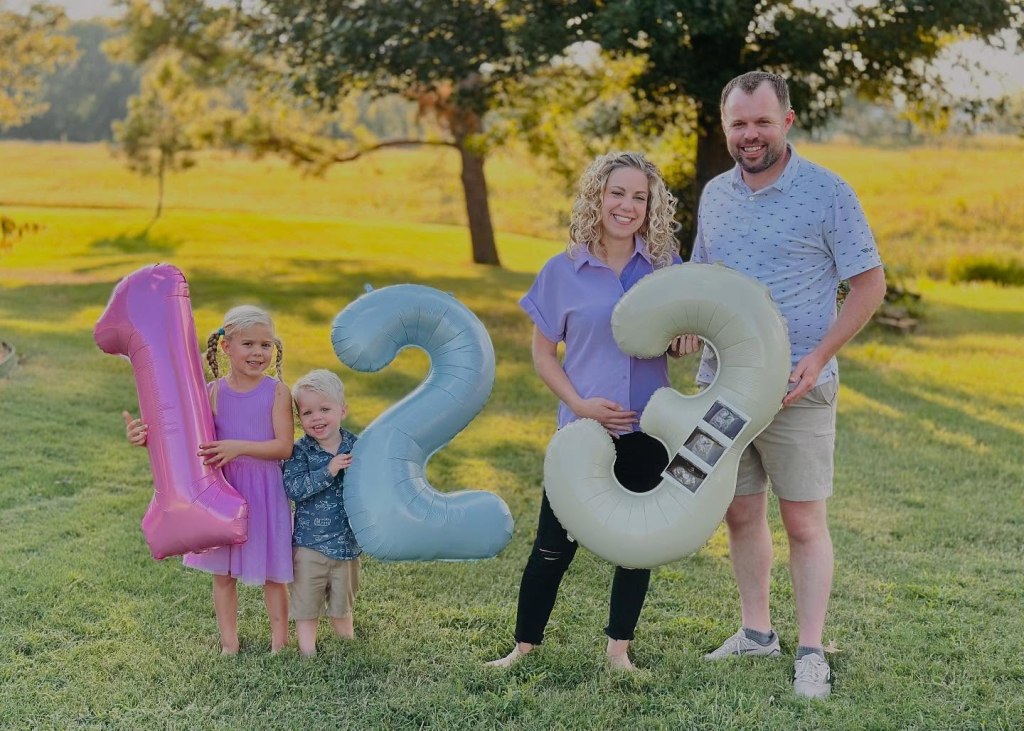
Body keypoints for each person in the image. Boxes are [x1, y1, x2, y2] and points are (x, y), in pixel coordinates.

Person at [693, 71, 886, 699]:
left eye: (762, 122)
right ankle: (756, 633)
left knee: (803, 523)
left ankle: (810, 650)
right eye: (739, 124)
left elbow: (869, 285)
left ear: (788, 121)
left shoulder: (829, 192)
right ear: (726, 129)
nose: (751, 135)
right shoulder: (716, 194)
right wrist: (687, 327)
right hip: (721, 385)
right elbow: (702, 278)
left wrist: (820, 355)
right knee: (739, 513)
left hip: (797, 386)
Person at [486, 151, 700, 672]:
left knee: (637, 545)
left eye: (640, 197)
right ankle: (523, 648)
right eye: (617, 193)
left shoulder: (665, 269)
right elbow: (543, 354)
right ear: (597, 198)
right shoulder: (562, 271)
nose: (627, 206)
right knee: (552, 547)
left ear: (652, 207)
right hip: (581, 432)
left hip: (649, 431)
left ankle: (619, 651)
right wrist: (579, 404)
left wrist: (682, 342)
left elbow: (677, 344)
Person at [124, 305, 294, 655]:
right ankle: (229, 644)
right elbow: (181, 440)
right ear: (226, 346)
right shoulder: (211, 392)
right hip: (225, 493)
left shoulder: (277, 392)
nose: (258, 353)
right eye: (248, 344)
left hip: (265, 492)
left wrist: (238, 447)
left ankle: (280, 643)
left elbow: (284, 447)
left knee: (274, 575)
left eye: (266, 345)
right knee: (224, 575)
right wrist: (146, 436)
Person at [282, 369, 361, 657]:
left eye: (325, 409)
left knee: (342, 604)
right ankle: (307, 653)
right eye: (307, 412)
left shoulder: (357, 446)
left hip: (346, 545)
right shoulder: (299, 452)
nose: (316, 418)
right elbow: (294, 488)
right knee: (307, 604)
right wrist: (329, 470)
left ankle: (346, 647)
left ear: (343, 410)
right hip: (309, 545)